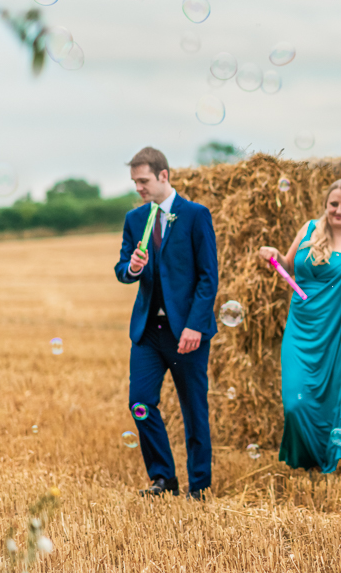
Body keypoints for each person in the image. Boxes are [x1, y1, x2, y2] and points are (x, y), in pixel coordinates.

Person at [258, 180, 341, 491]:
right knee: (296, 404)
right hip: (302, 329)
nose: (338, 210)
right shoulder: (309, 228)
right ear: (326, 204)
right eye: (333, 204)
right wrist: (274, 256)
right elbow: (289, 264)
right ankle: (314, 459)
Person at [114, 147, 218, 499]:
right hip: (147, 331)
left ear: (163, 176)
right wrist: (132, 269)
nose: (138, 188)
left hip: (186, 332)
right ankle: (164, 479)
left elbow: (208, 278)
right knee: (140, 403)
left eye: (143, 181)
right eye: (134, 182)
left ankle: (199, 486)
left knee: (194, 410)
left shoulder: (195, 215)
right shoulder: (134, 219)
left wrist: (194, 326)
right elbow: (122, 270)